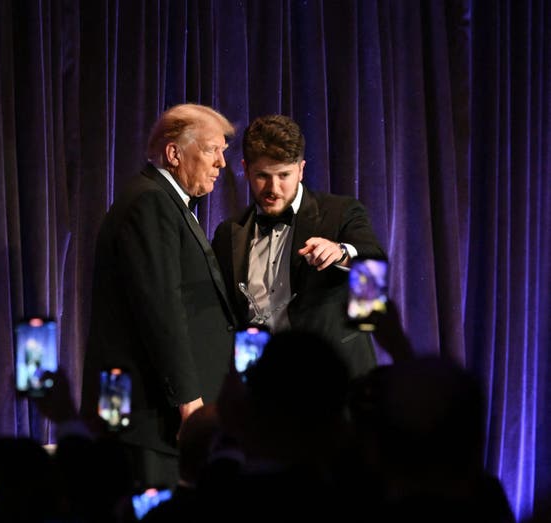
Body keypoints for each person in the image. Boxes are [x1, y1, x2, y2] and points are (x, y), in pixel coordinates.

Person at [81, 103, 238, 488]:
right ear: (174, 153)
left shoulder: (162, 201)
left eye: (223, 152)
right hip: (151, 418)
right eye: (211, 150)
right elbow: (161, 309)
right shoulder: (150, 202)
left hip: (154, 414)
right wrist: (189, 402)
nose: (221, 163)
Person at [212, 114, 385, 377]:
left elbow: (375, 268)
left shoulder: (340, 212)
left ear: (301, 170)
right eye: (262, 176)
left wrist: (341, 253)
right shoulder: (228, 232)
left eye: (284, 175)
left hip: (332, 377)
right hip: (262, 381)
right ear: (245, 170)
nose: (274, 188)